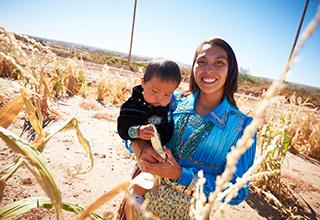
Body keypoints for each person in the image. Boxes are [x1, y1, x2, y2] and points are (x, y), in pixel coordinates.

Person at [129, 38, 257, 219]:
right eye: (201, 62)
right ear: (194, 67)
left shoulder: (243, 127)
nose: (209, 69)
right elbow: (130, 127)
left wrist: (181, 175)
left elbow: (238, 191)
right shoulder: (171, 101)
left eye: (219, 62)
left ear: (231, 71)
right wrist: (140, 147)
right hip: (139, 202)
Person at [117, 58, 181, 204]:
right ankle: (136, 194)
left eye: (167, 94)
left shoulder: (169, 103)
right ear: (143, 82)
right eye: (155, 91)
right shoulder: (134, 105)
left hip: (163, 148)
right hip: (150, 151)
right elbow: (123, 128)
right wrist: (137, 132)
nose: (160, 98)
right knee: (149, 173)